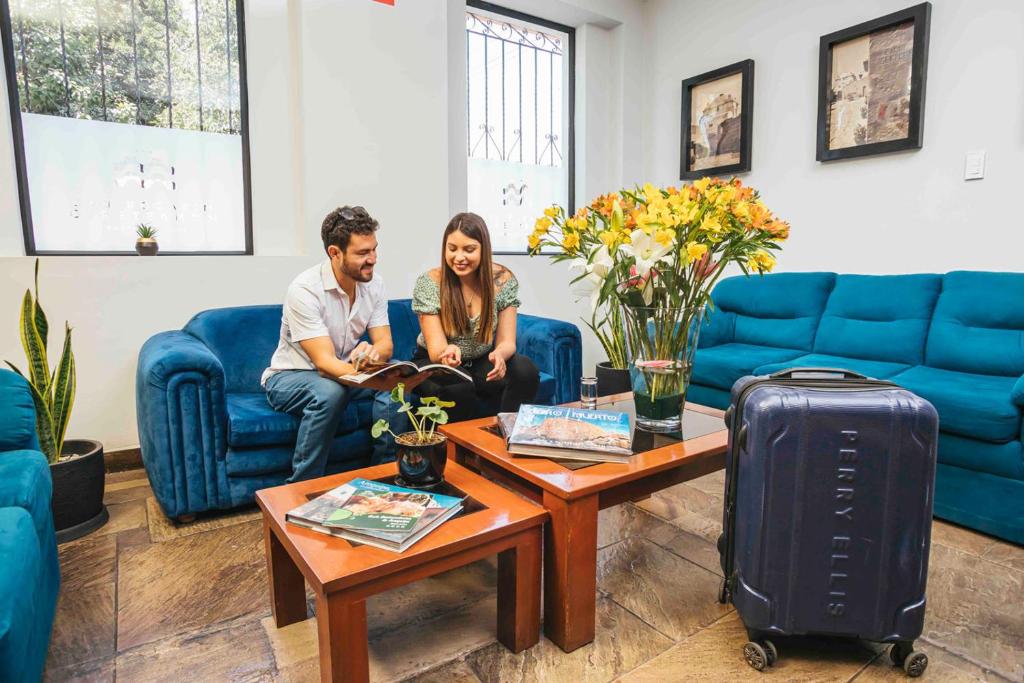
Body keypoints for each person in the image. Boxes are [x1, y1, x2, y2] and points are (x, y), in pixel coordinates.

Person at [261, 206, 407, 482]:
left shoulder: (374, 285)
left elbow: (385, 344)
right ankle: (302, 486)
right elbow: (325, 365)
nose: (373, 259)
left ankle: (386, 473)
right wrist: (374, 377)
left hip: (343, 373)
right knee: (330, 392)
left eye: (374, 249)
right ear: (334, 253)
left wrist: (373, 355)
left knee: (398, 375)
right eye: (363, 253)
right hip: (291, 377)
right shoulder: (304, 290)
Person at [411, 212, 540, 423]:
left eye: (469, 249)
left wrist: (499, 355)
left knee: (525, 371)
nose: (459, 257)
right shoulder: (430, 283)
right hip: (436, 363)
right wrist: (448, 351)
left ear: (483, 249)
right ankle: (458, 453)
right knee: (460, 388)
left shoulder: (502, 280)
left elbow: (507, 341)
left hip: (481, 359)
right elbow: (436, 351)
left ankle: (506, 434)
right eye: (452, 249)